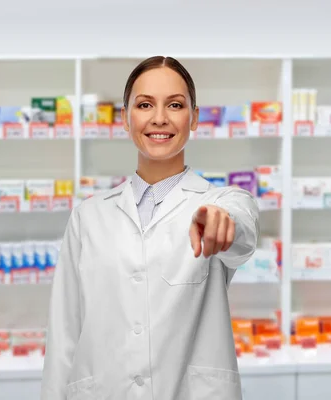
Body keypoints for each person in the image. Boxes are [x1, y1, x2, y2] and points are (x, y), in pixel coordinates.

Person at [41, 56, 260, 400]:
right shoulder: (89, 216)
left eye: (175, 104)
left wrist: (224, 223)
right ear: (126, 119)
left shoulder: (221, 201)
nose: (160, 118)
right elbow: (63, 335)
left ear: (194, 118)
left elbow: (241, 234)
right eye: (145, 105)